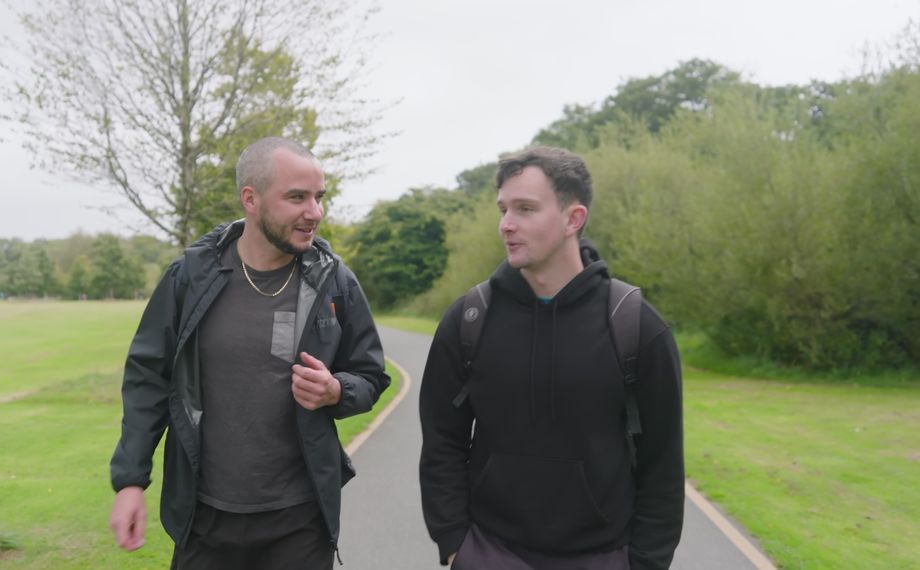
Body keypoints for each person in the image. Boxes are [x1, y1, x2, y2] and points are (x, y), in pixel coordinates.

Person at [108, 137, 389, 569]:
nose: (314, 212)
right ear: (251, 199)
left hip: (299, 521)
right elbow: (149, 377)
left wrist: (337, 390)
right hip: (204, 520)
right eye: (297, 197)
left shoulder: (335, 281)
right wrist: (130, 482)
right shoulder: (190, 277)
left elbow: (370, 375)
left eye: (319, 197)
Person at [418, 146, 684, 569]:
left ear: (572, 219)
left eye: (525, 209)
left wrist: (645, 563)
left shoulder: (636, 326)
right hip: (490, 553)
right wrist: (456, 545)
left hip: (603, 556)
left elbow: (663, 463)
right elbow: (442, 441)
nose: (507, 224)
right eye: (503, 209)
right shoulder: (469, 319)